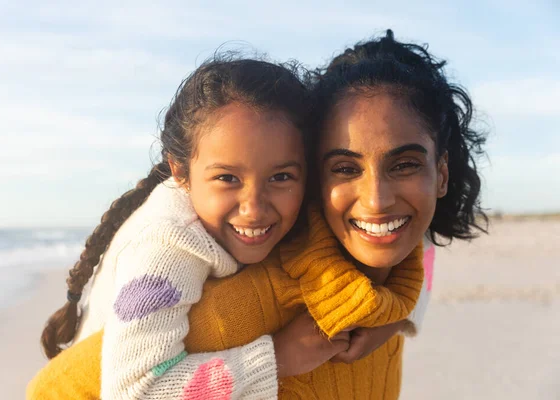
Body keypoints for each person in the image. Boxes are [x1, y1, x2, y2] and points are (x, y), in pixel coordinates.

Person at [29, 29, 487, 399]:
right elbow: (109, 390)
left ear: (440, 173)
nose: (377, 199)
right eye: (345, 167)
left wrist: (395, 318)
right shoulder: (181, 255)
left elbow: (415, 248)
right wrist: (278, 358)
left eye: (405, 165)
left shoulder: (370, 236)